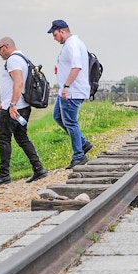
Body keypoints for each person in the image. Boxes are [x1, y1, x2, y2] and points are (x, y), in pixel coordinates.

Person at [0, 37, 48, 186]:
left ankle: (4, 175)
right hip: (23, 106)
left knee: (4, 138)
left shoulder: (13, 60)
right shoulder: (23, 58)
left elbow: (18, 82)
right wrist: (4, 102)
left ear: (6, 47)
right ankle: (38, 168)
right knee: (21, 137)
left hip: (14, 108)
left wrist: (12, 104)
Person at [48, 20, 93, 169]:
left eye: (55, 35)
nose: (54, 38)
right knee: (57, 116)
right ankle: (83, 143)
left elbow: (76, 67)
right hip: (66, 91)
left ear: (62, 31)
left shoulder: (72, 44)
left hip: (72, 91)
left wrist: (67, 86)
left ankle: (79, 156)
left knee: (70, 122)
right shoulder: (70, 44)